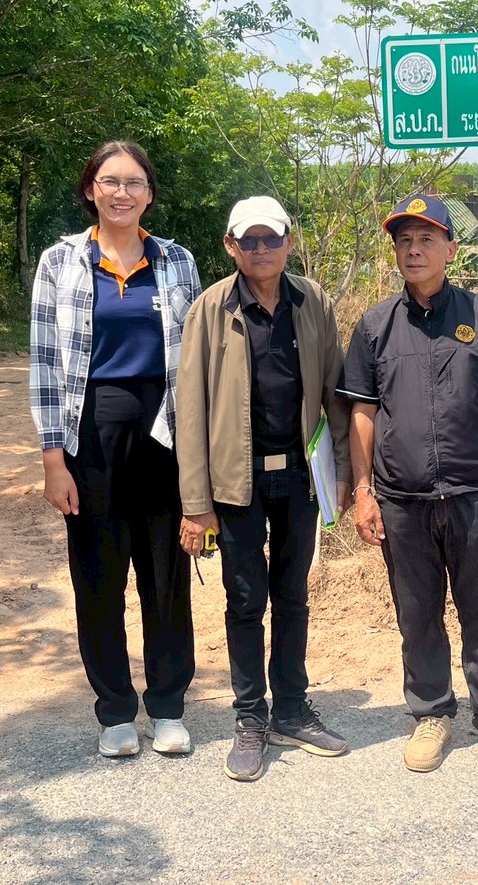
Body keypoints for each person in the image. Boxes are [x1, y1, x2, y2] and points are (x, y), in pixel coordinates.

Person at [336, 194, 478, 775]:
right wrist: (364, 492)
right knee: (417, 614)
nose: (414, 250)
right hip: (403, 500)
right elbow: (362, 413)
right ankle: (431, 712)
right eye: (405, 241)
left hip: (475, 495)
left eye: (426, 239)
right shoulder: (375, 326)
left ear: (451, 248)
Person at [30, 140, 201, 757]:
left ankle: (169, 707)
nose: (121, 192)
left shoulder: (177, 261)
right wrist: (54, 460)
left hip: (165, 434)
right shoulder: (60, 262)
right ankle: (115, 714)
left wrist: (200, 456)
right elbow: (46, 365)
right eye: (110, 181)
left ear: (149, 194)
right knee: (98, 578)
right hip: (92, 436)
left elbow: (196, 360)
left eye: (134, 183)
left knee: (166, 575)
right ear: (90, 190)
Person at [175, 195, 352, 782]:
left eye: (270, 238)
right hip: (236, 481)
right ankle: (251, 717)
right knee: (245, 601)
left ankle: (292, 709)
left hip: (299, 475)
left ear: (288, 242)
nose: (260, 249)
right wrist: (196, 503)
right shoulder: (209, 310)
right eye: (247, 240)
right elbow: (190, 410)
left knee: (293, 596)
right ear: (230, 246)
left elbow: (335, 391)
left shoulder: (313, 301)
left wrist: (343, 472)